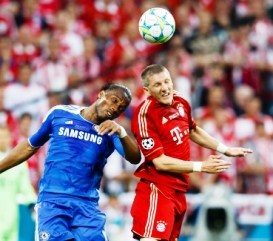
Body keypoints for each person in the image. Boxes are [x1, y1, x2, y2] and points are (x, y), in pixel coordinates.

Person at [0, 82, 141, 241]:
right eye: (114, 100)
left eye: (121, 108)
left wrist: (121, 131)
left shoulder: (111, 132)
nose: (116, 108)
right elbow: (30, 146)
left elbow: (134, 157)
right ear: (101, 94)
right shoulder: (60, 114)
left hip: (87, 208)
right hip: (53, 204)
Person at [130, 64, 253, 241]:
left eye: (167, 82)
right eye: (157, 85)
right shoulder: (145, 115)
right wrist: (201, 166)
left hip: (179, 190)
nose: (165, 88)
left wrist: (226, 149)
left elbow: (192, 131)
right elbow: (160, 162)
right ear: (147, 90)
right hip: (158, 189)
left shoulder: (180, 102)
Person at [0, 125, 37, 241]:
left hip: (11, 215)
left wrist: (32, 207)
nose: (2, 140)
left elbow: (25, 187)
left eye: (5, 137)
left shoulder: (18, 162)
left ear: (10, 138)